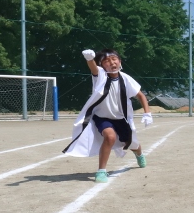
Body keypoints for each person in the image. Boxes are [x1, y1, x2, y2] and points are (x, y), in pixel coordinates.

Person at [64, 48, 152, 183]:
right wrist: (90, 59)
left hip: (121, 119)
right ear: (101, 65)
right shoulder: (100, 77)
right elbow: (93, 69)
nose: (111, 62)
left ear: (120, 61)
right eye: (106, 61)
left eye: (114, 59)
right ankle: (101, 171)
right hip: (102, 117)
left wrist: (147, 113)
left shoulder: (126, 78)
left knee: (132, 142)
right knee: (110, 137)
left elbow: (140, 96)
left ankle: (139, 154)